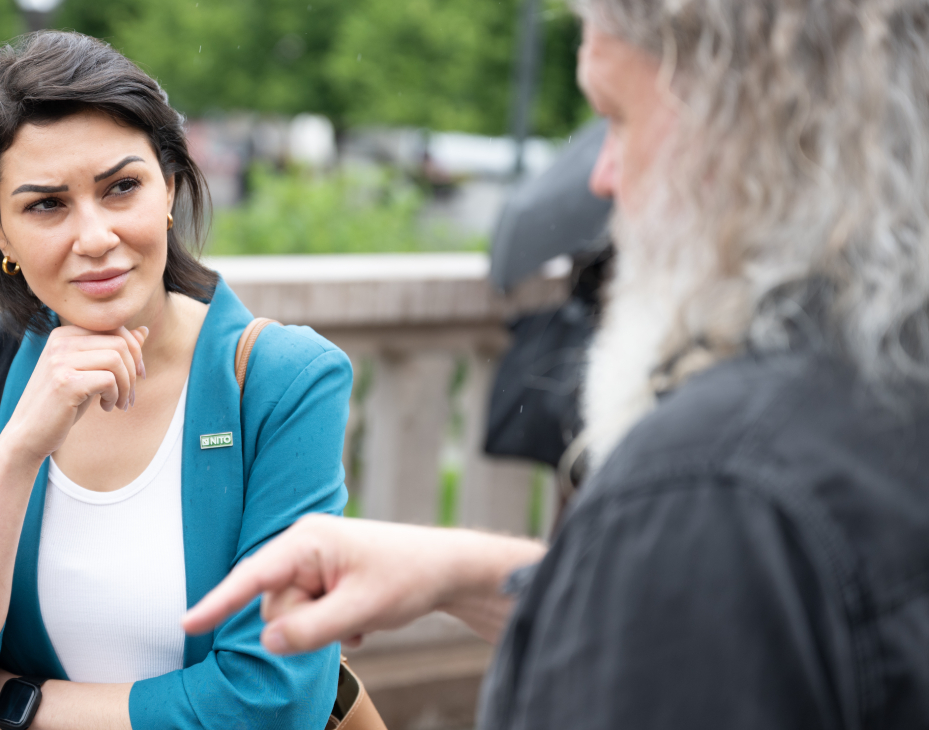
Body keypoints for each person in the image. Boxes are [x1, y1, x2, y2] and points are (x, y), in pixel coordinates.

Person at [184, 1, 929, 727]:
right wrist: (469, 576)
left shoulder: (714, 485)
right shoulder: (883, 383)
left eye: (617, 118)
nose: (602, 176)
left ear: (761, 129)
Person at [0, 32, 352, 730]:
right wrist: (16, 455)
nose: (94, 236)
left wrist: (21, 707)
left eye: (120, 187)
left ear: (170, 187)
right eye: (46, 205)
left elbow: (272, 703)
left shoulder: (282, 381)